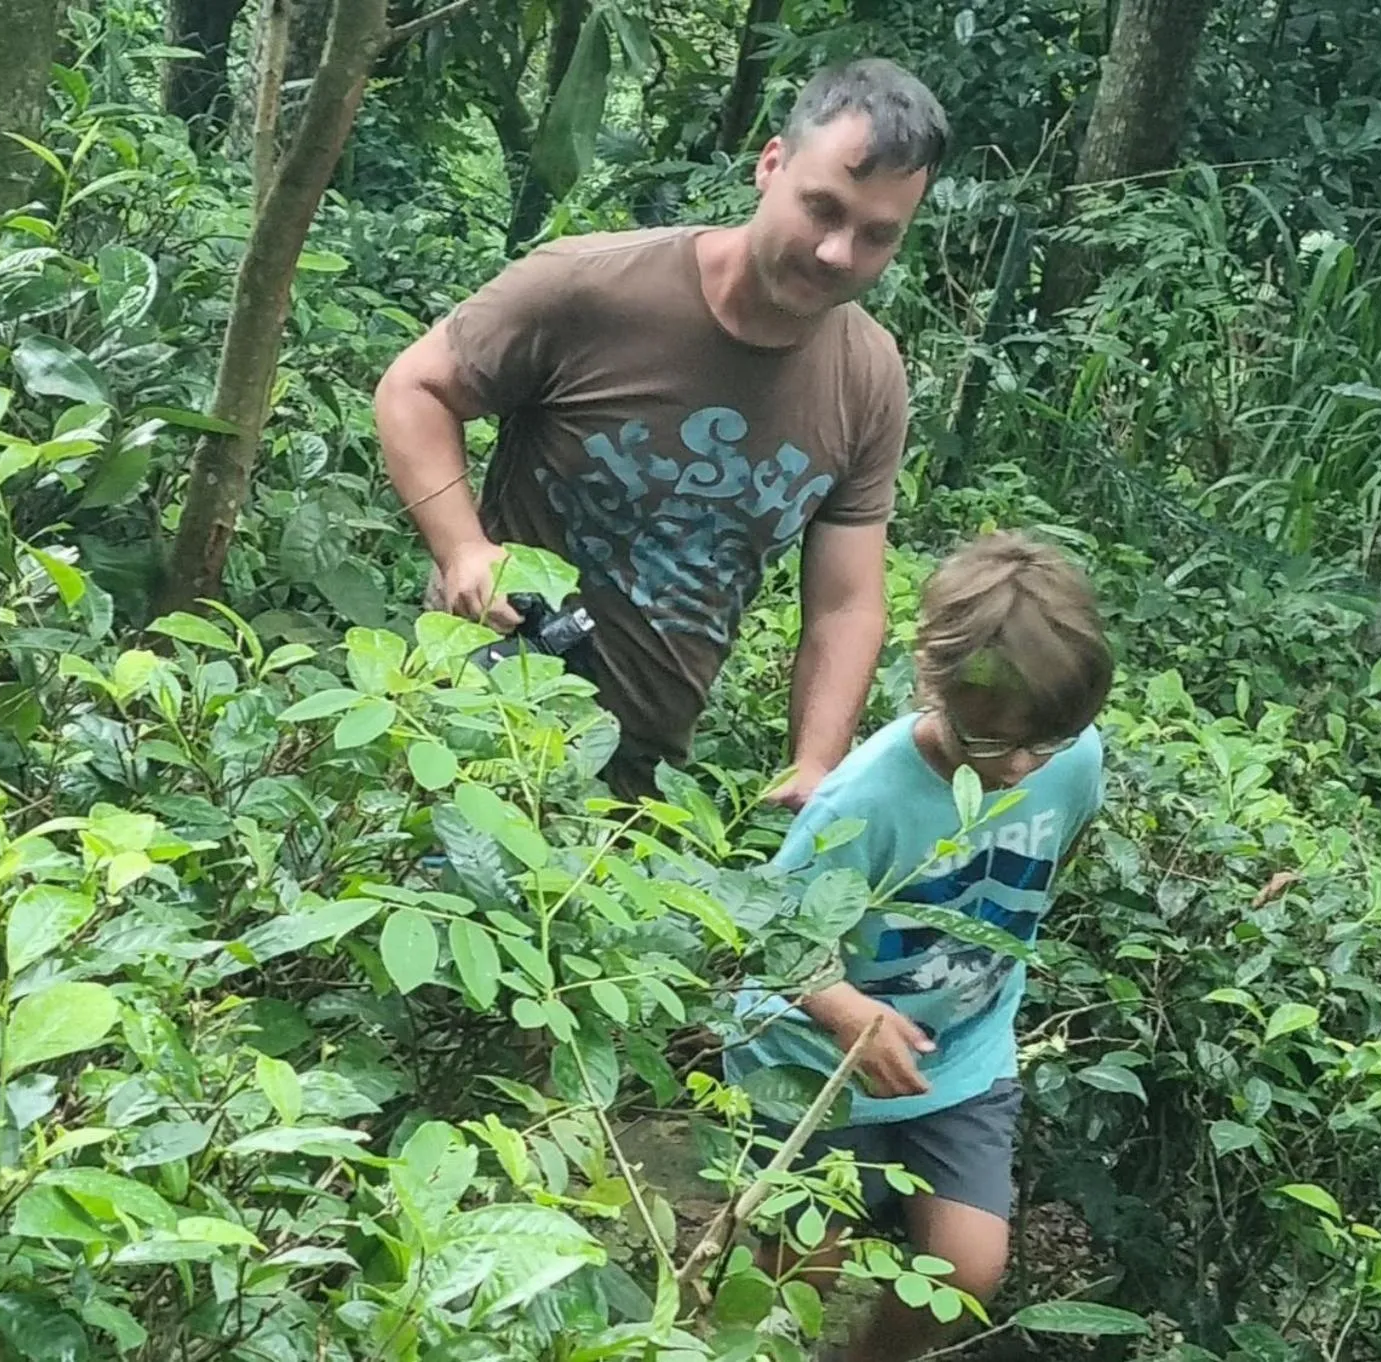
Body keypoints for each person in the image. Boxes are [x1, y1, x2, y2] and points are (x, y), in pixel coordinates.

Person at [372, 58, 948, 804]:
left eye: (877, 235)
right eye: (822, 209)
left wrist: (815, 764)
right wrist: (462, 551)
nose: (837, 252)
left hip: (643, 783)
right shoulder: (594, 286)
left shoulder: (867, 377)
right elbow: (414, 388)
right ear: (771, 165)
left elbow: (846, 603)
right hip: (476, 725)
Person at [723, 531, 1115, 1362]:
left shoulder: (1073, 757)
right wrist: (848, 1014)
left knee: (966, 1272)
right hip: (811, 1065)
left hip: (961, 1056)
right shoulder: (861, 800)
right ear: (932, 683)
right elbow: (776, 939)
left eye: (1041, 744)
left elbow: (1058, 855)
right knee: (799, 1269)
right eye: (989, 743)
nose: (1017, 768)